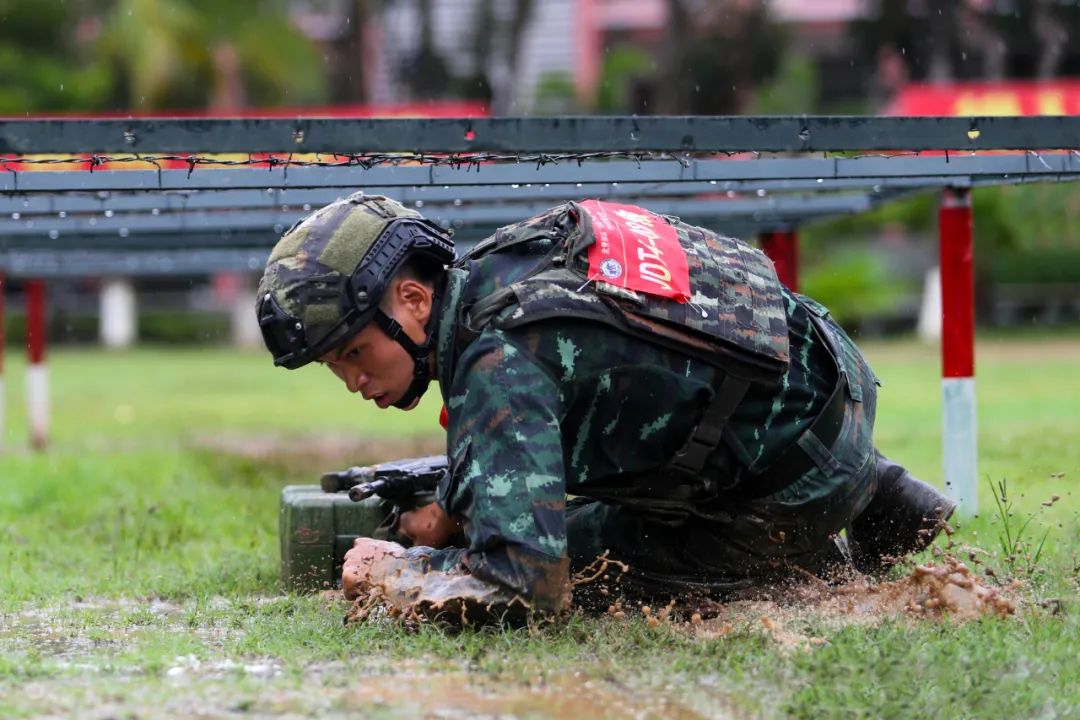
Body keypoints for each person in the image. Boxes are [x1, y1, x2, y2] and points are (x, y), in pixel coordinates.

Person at [256, 192, 955, 623]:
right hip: (831, 383)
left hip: (795, 470)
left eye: (351, 352)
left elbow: (527, 587)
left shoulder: (495, 361)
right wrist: (452, 507)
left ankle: (808, 546)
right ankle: (879, 494)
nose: (351, 379)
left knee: (592, 555)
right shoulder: (510, 264)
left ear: (411, 300)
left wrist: (395, 571)